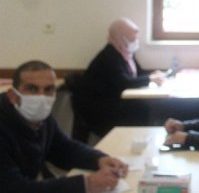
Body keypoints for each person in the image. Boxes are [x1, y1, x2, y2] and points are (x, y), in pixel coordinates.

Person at [0, 60, 128, 192]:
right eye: (32, 89)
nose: (41, 97)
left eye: (48, 89)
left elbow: (63, 148)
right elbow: (14, 188)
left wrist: (99, 159)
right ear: (13, 96)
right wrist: (86, 184)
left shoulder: (42, 119)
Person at [76, 18, 166, 137]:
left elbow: (138, 73)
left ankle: (140, 141)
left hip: (116, 103)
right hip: (101, 110)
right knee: (141, 109)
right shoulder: (109, 56)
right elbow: (124, 82)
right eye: (132, 39)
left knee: (143, 107)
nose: (136, 42)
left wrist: (154, 74)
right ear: (121, 38)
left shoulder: (126, 53)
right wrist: (150, 78)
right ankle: (134, 142)